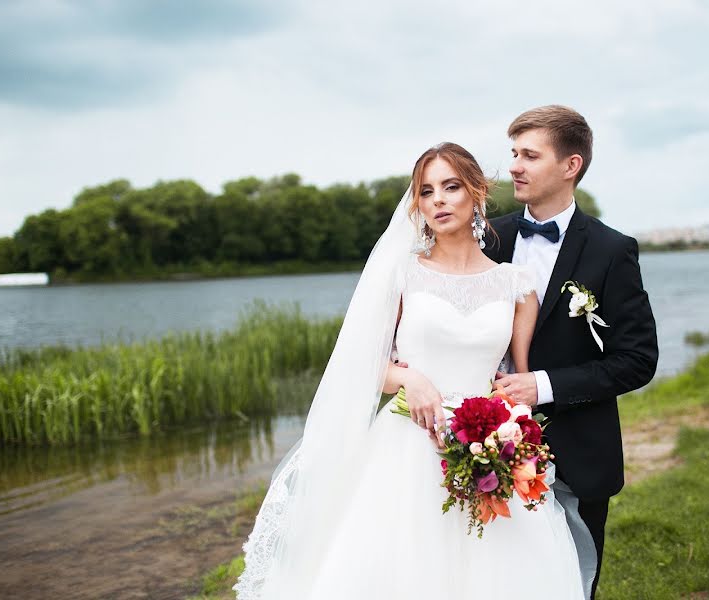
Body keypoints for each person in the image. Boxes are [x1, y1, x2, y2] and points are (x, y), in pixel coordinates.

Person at [235, 142, 589, 599]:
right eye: (426, 191)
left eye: (451, 187)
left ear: (477, 193)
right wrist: (410, 379)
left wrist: (507, 438)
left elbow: (514, 382)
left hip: (485, 447)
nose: (438, 200)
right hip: (404, 446)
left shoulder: (516, 286)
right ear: (417, 204)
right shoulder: (402, 274)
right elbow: (359, 368)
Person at [485, 105, 659, 599]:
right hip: (482, 450)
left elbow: (638, 359)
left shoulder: (612, 250)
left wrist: (540, 386)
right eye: (514, 153)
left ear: (570, 165)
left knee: (571, 584)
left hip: (578, 455)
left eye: (530, 155)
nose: (515, 166)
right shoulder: (485, 238)